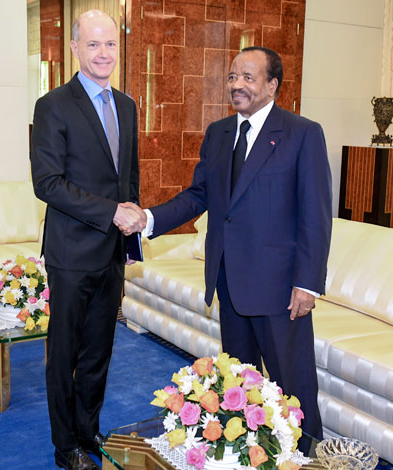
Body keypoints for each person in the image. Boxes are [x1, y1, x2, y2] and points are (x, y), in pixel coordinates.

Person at [142, 46, 332, 448]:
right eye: (232, 77)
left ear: (272, 85)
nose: (237, 85)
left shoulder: (302, 134)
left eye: (248, 77)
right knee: (241, 386)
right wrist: (149, 219)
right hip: (229, 283)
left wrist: (308, 284)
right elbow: (198, 196)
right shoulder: (219, 133)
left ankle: (307, 455)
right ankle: (254, 451)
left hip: (281, 289)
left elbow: (315, 216)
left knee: (293, 387)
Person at [30, 10, 146, 470]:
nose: (104, 54)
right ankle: (65, 447)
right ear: (75, 49)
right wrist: (110, 212)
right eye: (93, 45)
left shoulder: (128, 105)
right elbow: (48, 183)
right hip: (71, 253)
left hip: (112, 253)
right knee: (65, 355)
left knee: (100, 350)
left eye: (111, 45)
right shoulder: (53, 104)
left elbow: (128, 179)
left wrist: (130, 230)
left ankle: (87, 430)